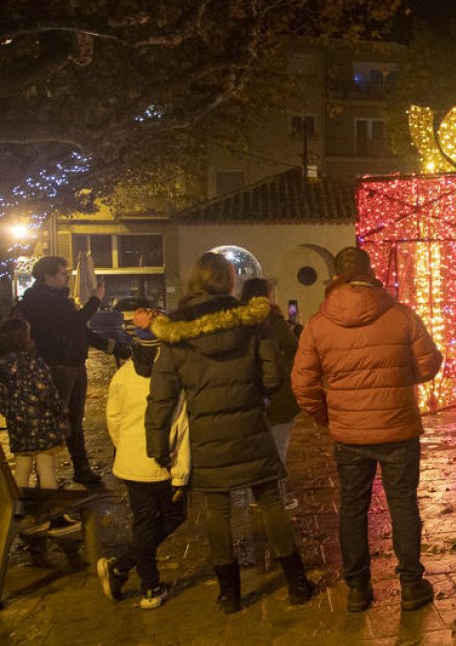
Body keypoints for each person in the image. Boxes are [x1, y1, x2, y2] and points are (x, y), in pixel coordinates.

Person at [145, 252, 314, 613]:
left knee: (217, 509)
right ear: (229, 281)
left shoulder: (175, 331)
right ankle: (297, 582)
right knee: (269, 501)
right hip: (251, 425)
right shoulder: (252, 322)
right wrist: (257, 398)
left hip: (206, 433)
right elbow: (272, 376)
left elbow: (161, 395)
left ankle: (229, 594)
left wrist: (156, 443)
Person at [292, 247, 443, 613]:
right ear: (369, 271)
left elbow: (302, 384)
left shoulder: (317, 324)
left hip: (349, 436)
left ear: (336, 276)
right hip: (398, 430)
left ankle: (358, 588)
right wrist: (398, 379)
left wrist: (327, 416)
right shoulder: (402, 316)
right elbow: (430, 364)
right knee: (403, 505)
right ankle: (411, 585)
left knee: (352, 509)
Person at [97, 320, 189, 609]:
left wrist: (126, 448)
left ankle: (125, 570)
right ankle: (147, 585)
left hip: (130, 464)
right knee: (173, 516)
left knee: (145, 523)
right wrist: (181, 473)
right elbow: (182, 428)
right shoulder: (173, 377)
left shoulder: (122, 375)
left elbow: (113, 420)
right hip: (162, 464)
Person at [18, 256, 129, 485]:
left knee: (75, 420)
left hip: (75, 365)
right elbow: (70, 322)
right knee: (55, 420)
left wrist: (110, 347)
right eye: (62, 273)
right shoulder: (38, 300)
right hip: (58, 366)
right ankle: (45, 477)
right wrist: (95, 301)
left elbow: (78, 328)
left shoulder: (61, 299)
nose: (67, 277)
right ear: (47, 276)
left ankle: (81, 468)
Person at [0, 316, 78, 537]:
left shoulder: (2, 364)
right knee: (46, 468)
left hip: (18, 424)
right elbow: (47, 391)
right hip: (42, 422)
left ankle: (21, 515)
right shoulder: (32, 361)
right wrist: (60, 409)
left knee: (22, 467)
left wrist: (13, 412)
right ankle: (52, 518)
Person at [241, 278, 300, 511]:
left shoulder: (238, 322)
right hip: (278, 396)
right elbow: (294, 351)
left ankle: (257, 494)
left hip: (248, 394)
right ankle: (277, 498)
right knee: (278, 447)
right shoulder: (274, 321)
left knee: (256, 447)